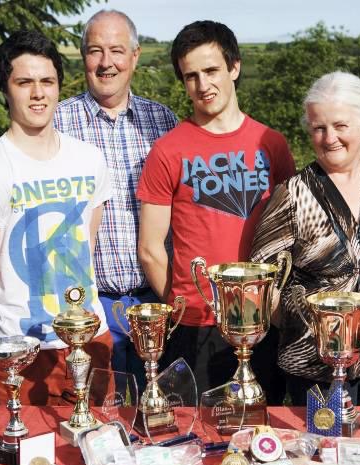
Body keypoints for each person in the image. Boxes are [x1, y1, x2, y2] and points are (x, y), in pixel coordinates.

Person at [137, 21, 296, 401]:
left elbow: (292, 233)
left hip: (262, 319)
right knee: (195, 428)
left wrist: (276, 304)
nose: (202, 85)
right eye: (191, 76)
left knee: (261, 425)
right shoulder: (167, 151)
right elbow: (150, 248)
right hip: (196, 325)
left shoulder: (271, 143)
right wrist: (186, 306)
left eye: (211, 71)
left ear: (234, 67)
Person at [249, 71, 360, 406]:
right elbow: (262, 280)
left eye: (340, 125)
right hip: (315, 364)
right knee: (321, 441)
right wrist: (304, 322)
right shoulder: (292, 194)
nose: (329, 138)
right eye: (319, 127)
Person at [0, 30, 113, 405]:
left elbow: (86, 244)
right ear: (6, 89)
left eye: (47, 81)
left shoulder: (90, 159)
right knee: (30, 444)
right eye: (24, 82)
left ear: (59, 86)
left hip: (91, 337)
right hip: (23, 351)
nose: (38, 93)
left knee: (101, 438)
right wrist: (9, 334)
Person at [54, 10, 177, 392]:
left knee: (157, 408)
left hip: (154, 302)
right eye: (95, 51)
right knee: (95, 410)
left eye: (117, 51)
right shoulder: (57, 124)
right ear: (83, 57)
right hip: (89, 306)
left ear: (135, 56)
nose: (106, 62)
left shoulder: (163, 122)